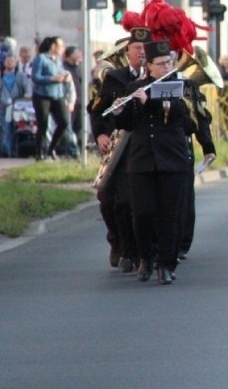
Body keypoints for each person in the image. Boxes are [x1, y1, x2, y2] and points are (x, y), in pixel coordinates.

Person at [114, 39, 216, 284]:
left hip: (172, 159)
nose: (166, 66)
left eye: (169, 62)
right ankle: (146, 259)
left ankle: (166, 264)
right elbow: (128, 124)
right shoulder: (134, 87)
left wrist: (150, 103)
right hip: (142, 160)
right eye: (161, 64)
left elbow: (185, 118)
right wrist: (119, 112)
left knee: (169, 214)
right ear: (149, 66)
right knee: (142, 213)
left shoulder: (184, 86)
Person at [88, 28, 150, 271]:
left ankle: (134, 252)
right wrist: (100, 134)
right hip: (118, 148)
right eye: (137, 49)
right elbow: (96, 109)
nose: (141, 53)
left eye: (145, 49)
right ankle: (119, 243)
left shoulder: (155, 77)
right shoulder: (114, 78)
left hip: (142, 146)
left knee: (135, 202)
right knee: (110, 200)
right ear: (128, 51)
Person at [30, 36, 71, 161]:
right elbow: (35, 77)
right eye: (60, 46)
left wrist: (65, 76)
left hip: (57, 94)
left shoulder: (58, 60)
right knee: (43, 123)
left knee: (64, 122)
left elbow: (61, 71)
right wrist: (51, 79)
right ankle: (39, 152)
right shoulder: (41, 58)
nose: (62, 49)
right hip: (42, 95)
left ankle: (51, 148)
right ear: (53, 46)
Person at [0, 54, 32, 157]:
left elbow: (28, 88)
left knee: (18, 129)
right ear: (4, 63)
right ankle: (6, 152)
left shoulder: (21, 76)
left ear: (16, 63)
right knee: (6, 129)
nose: (9, 63)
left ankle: (16, 151)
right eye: (7, 61)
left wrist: (27, 95)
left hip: (18, 108)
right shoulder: (0, 76)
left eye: (12, 61)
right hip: (3, 107)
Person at [60, 45, 84, 157]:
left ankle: (79, 149)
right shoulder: (64, 68)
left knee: (78, 128)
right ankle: (69, 151)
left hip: (79, 102)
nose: (79, 54)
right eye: (76, 53)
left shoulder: (77, 68)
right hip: (69, 103)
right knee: (68, 128)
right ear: (69, 55)